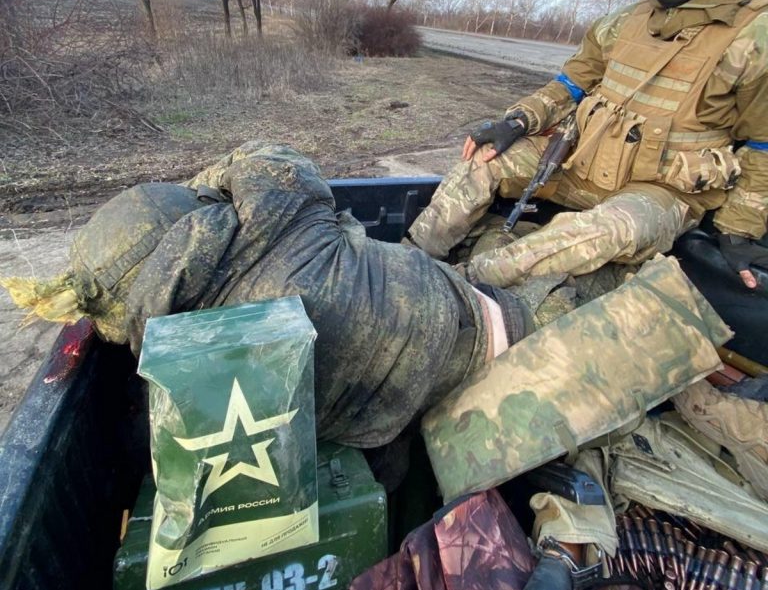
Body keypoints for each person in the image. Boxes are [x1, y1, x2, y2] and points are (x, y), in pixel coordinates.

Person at [1, 144, 533, 450]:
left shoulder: (195, 359)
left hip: (424, 398)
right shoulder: (273, 207)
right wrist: (211, 187)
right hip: (478, 324)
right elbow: (266, 155)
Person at [407, 0, 768, 290]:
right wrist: (516, 120)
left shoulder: (753, 34)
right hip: (578, 162)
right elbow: (570, 85)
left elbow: (762, 145)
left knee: (609, 229)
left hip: (657, 193)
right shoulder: (624, 22)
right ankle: (408, 261)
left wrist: (739, 230)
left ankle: (460, 288)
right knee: (485, 159)